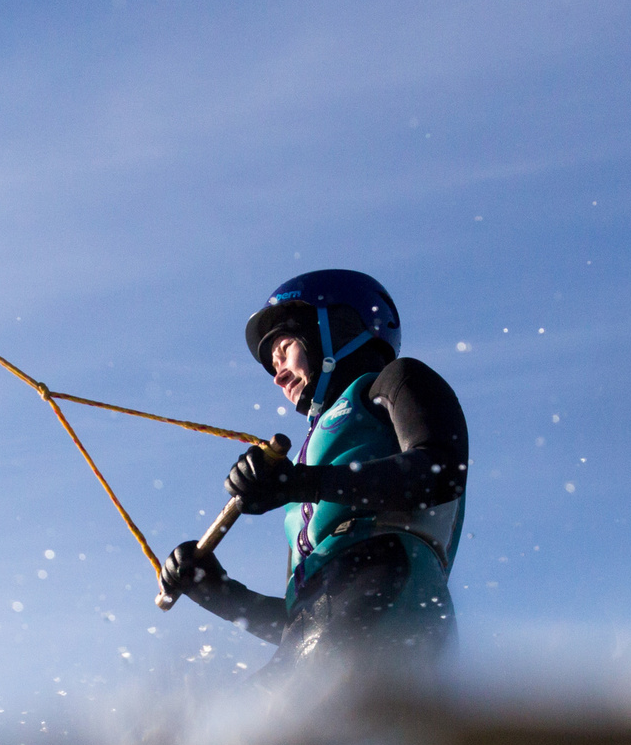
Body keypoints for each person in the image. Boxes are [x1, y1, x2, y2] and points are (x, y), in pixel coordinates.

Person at [158, 269, 469, 673]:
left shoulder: (395, 381)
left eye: (284, 349)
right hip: (349, 609)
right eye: (272, 364)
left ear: (337, 328)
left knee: (264, 727)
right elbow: (301, 621)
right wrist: (219, 592)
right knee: (251, 729)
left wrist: (300, 483)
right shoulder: (306, 475)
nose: (277, 373)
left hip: (389, 579)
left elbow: (440, 471)